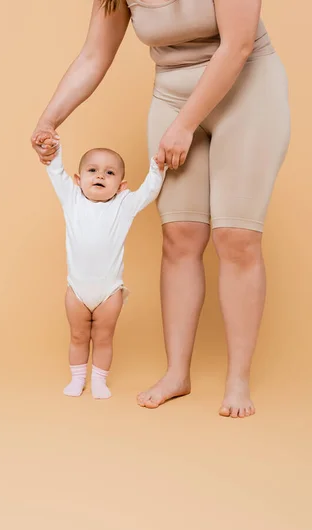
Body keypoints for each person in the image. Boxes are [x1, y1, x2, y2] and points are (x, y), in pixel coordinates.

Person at [31, 0, 290, 418]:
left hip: (246, 88)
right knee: (179, 235)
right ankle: (177, 374)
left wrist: (185, 126)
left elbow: (238, 45)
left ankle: (238, 379)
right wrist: (49, 119)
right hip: (172, 93)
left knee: (236, 236)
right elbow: (94, 55)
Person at [42, 143, 165, 399]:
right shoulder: (72, 198)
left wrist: (157, 168)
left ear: (121, 186)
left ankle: (99, 380)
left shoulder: (124, 205)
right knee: (77, 336)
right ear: (78, 180)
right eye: (93, 170)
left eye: (110, 173)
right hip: (77, 290)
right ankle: (77, 380)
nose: (100, 176)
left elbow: (149, 191)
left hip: (109, 292)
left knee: (104, 338)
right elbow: (56, 172)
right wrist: (54, 151)